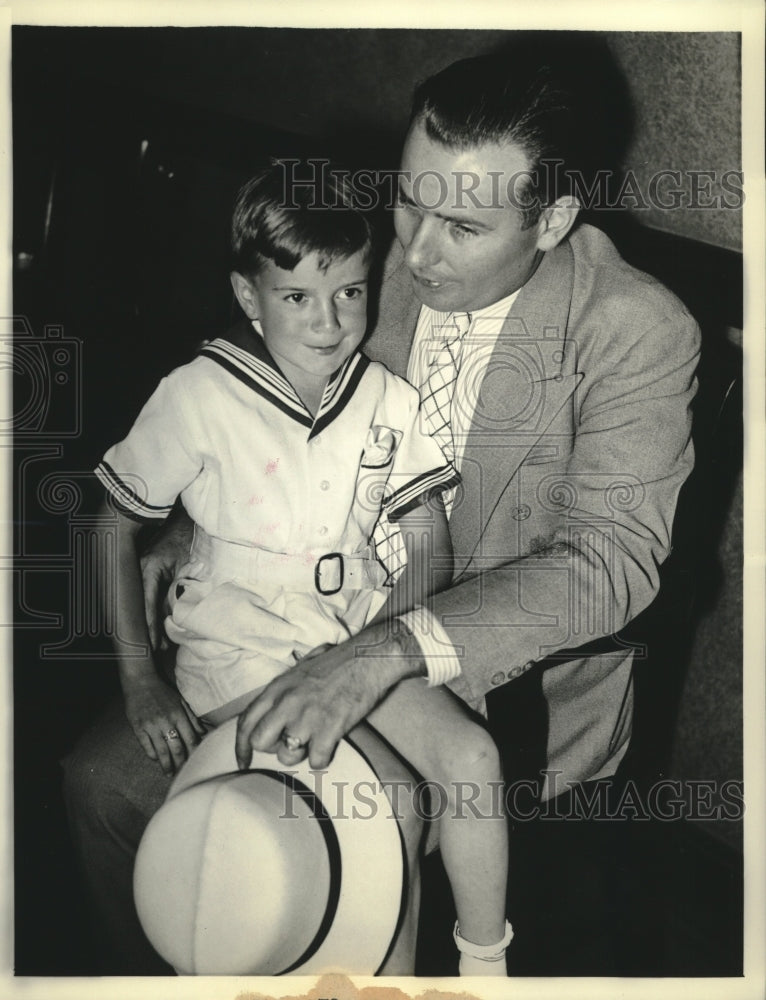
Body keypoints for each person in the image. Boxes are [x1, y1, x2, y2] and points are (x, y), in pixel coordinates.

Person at [63, 50, 700, 975]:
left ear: (554, 219)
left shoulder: (637, 329)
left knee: (333, 851)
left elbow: (610, 564)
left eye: (463, 225)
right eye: (410, 200)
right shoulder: (368, 270)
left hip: (499, 697)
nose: (415, 250)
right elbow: (274, 421)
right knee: (98, 788)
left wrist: (382, 652)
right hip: (299, 626)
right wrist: (195, 523)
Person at [92, 163, 513, 975]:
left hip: (347, 637)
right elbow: (109, 525)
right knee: (390, 803)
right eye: (297, 298)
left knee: (471, 760)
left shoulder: (384, 399)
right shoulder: (199, 395)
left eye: (352, 293)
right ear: (250, 297)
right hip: (238, 652)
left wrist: (370, 647)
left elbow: (430, 539)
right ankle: (370, 983)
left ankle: (476, 972)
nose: (330, 322)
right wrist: (140, 681)